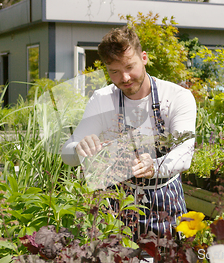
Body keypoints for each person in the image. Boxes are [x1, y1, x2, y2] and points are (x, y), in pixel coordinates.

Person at [61, 26, 196, 239]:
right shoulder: (103, 99)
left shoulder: (177, 96)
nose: (124, 78)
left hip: (167, 203)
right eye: (114, 71)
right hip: (120, 208)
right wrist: (79, 149)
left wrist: (156, 166)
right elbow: (66, 154)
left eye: (129, 67)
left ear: (144, 58)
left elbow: (185, 152)